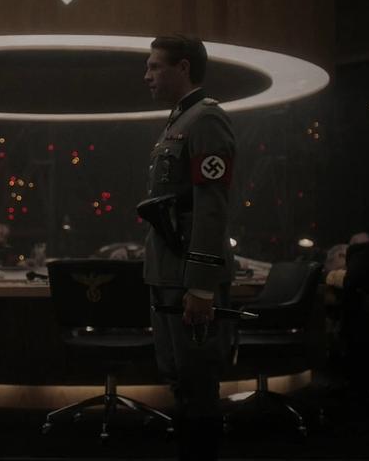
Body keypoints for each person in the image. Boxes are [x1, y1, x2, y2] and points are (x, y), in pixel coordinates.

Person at [140, 35, 236, 460]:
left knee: (198, 383)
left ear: (183, 68)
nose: (147, 75)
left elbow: (210, 208)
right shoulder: (179, 121)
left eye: (154, 66)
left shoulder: (206, 120)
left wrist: (201, 285)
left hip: (188, 276)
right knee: (179, 379)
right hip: (168, 269)